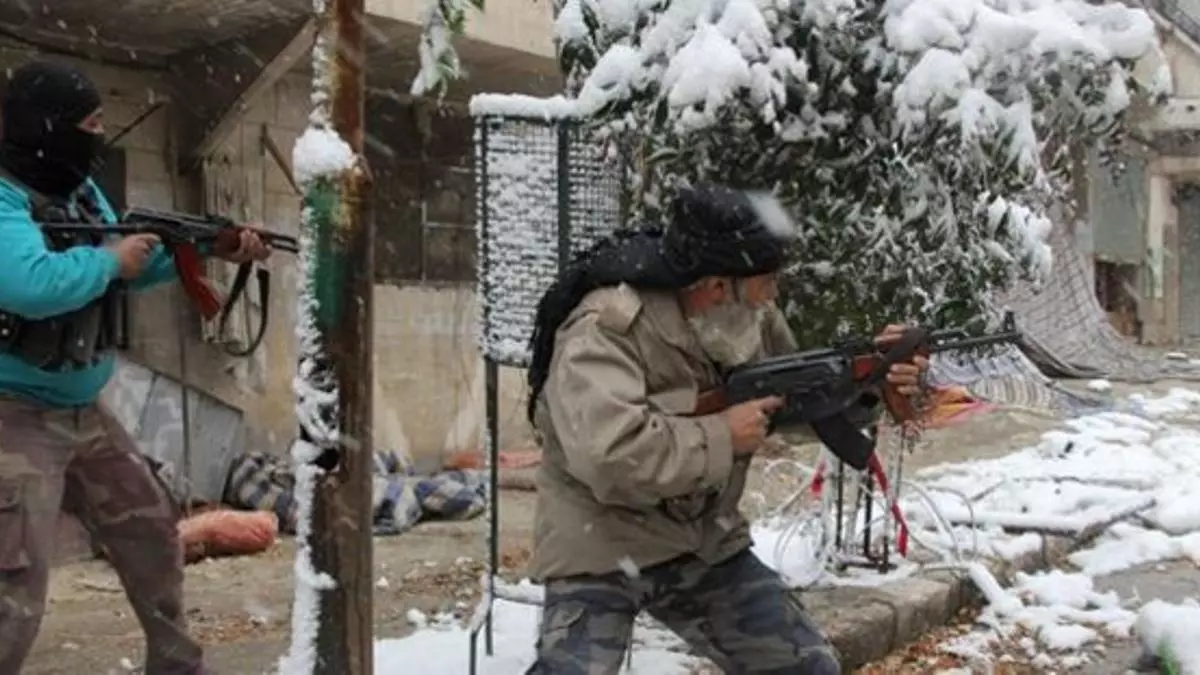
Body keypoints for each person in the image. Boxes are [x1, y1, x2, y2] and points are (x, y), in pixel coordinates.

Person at [522, 183, 930, 674]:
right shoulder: (606, 328)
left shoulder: (748, 315)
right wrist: (722, 436)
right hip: (602, 540)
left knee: (806, 666)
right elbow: (609, 456)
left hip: (702, 543)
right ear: (717, 285)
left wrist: (870, 380)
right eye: (767, 281)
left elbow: (796, 396)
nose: (773, 295)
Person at [0, 60, 270, 674]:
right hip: (14, 414)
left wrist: (209, 247)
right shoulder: (5, 196)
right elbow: (29, 283)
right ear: (47, 126)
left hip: (85, 409)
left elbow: (129, 261)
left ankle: (177, 667)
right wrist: (110, 262)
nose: (98, 137)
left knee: (152, 537)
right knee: (14, 582)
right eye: (90, 124)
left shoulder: (78, 192)